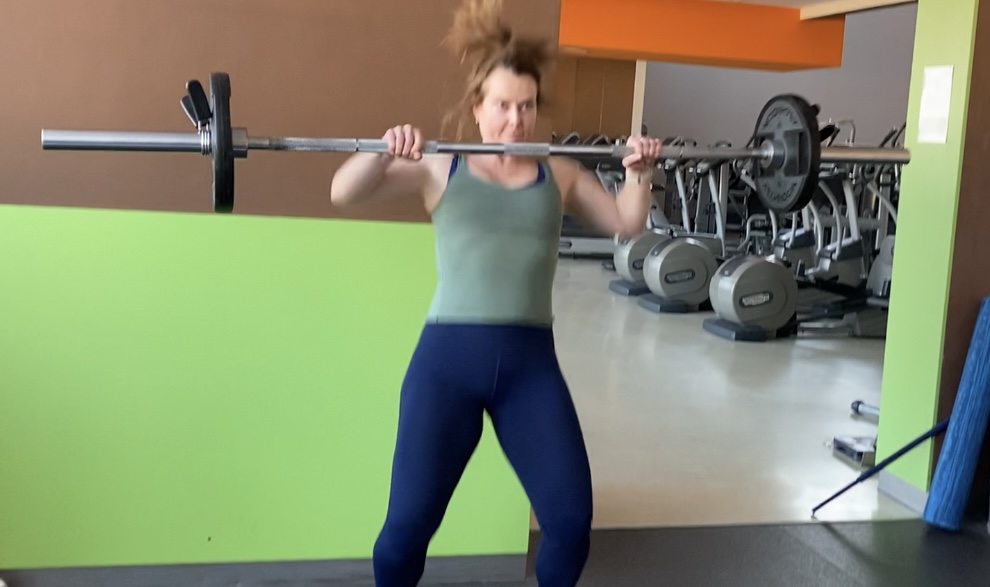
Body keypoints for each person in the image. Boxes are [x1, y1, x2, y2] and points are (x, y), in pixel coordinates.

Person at [329, 1, 660, 584]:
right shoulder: (441, 168)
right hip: (446, 366)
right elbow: (344, 193)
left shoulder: (558, 173)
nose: (515, 120)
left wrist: (639, 174)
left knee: (570, 522)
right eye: (503, 106)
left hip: (530, 368)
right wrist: (382, 150)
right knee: (406, 528)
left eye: (526, 106)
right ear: (477, 108)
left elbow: (625, 223)